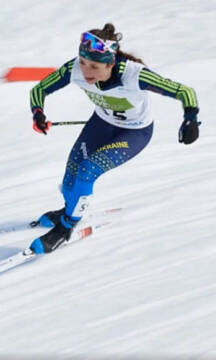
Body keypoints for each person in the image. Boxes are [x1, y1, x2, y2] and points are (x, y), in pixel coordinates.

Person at [28, 23, 200, 254]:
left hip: (134, 133)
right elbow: (38, 90)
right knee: (70, 178)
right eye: (82, 62)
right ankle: (69, 209)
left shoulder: (134, 75)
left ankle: (66, 227)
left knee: (88, 171)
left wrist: (190, 119)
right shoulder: (74, 70)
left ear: (110, 63)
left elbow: (184, 92)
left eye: (94, 66)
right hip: (100, 125)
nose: (86, 71)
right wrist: (38, 113)